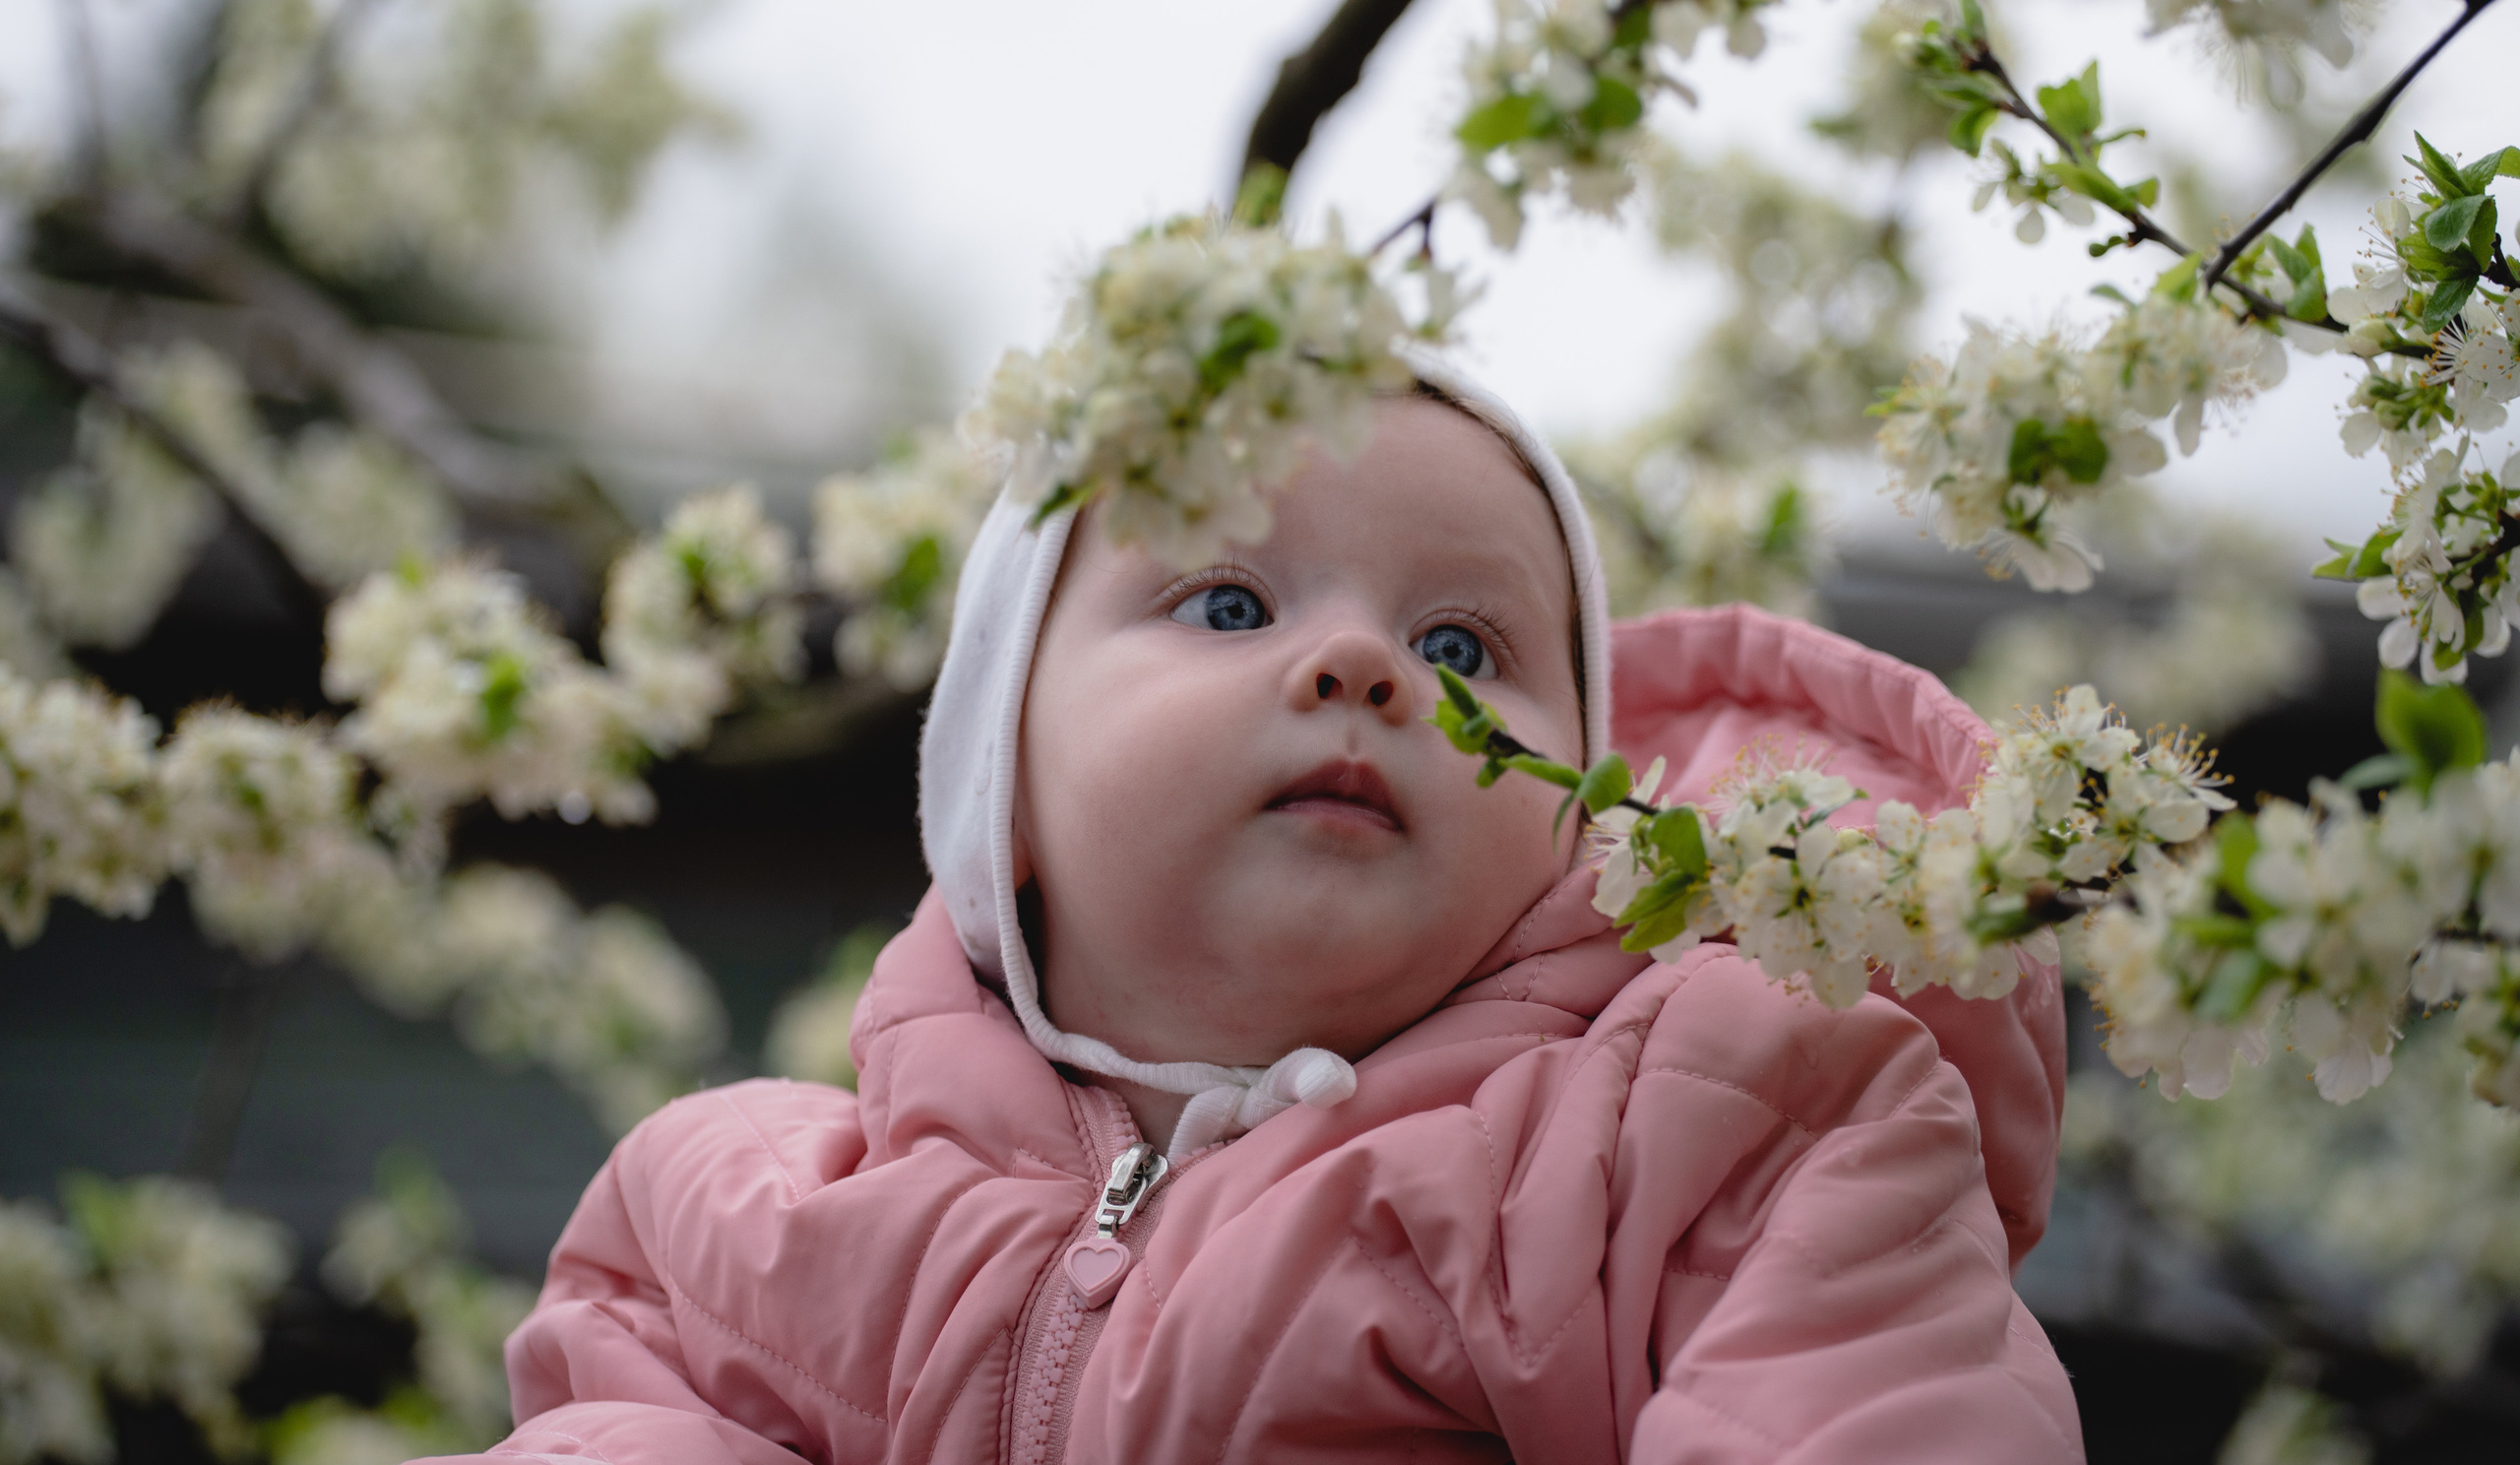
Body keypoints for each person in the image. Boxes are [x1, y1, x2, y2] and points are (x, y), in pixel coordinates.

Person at [423, 372, 2081, 1464]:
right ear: (1002, 775)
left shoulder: (1719, 1130)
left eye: (1461, 650)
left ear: (1585, 809)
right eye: (1228, 602)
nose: (1359, 666)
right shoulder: (742, 1220)